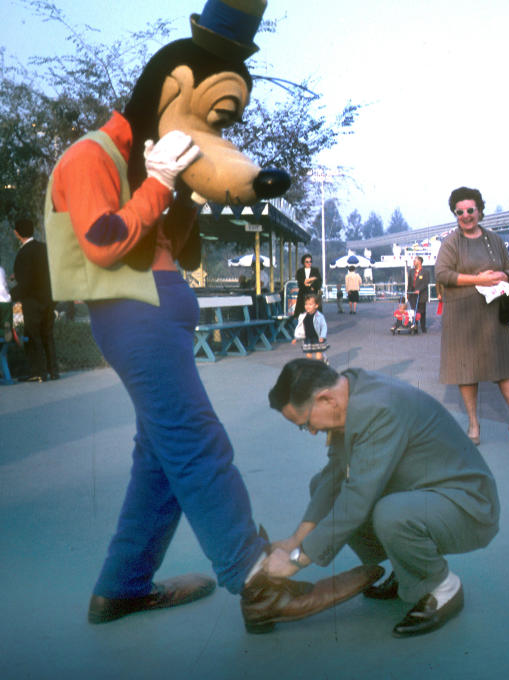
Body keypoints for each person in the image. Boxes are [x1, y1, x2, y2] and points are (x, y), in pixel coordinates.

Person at [42, 4, 376, 631]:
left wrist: (180, 191)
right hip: (132, 315)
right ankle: (256, 582)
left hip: (157, 315)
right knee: (197, 443)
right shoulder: (87, 159)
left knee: (160, 460)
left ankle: (122, 586)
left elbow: (182, 249)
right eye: (215, 116)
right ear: (173, 90)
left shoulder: (147, 166)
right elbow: (105, 240)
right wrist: (159, 181)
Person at [266, 359, 500, 638]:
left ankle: (444, 588)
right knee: (322, 485)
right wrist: (296, 540)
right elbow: (333, 477)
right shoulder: (349, 392)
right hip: (428, 491)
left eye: (305, 424)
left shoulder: (378, 409)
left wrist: (296, 560)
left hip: (469, 505)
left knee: (389, 513)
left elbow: (356, 500)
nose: (312, 432)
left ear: (325, 398)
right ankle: (408, 572)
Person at [434, 186, 509, 445]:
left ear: (480, 211)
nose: (465, 215)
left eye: (470, 210)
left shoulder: (494, 239)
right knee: (466, 371)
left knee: (505, 368)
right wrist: (478, 280)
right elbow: (442, 274)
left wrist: (502, 276)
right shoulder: (451, 243)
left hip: (494, 314)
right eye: (459, 212)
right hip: (462, 317)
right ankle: (474, 425)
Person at [11, 219, 58, 382]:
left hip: (32, 301)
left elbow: (26, 282)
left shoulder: (23, 254)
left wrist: (12, 294)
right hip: (47, 298)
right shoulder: (43, 249)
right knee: (48, 335)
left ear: (17, 233)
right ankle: (54, 371)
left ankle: (38, 372)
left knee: (33, 336)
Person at [292, 293, 328, 361]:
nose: (307, 306)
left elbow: (324, 326)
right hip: (307, 338)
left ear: (316, 305)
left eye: (310, 304)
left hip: (317, 338)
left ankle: (321, 363)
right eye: (306, 304)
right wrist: (297, 338)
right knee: (308, 356)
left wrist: (322, 336)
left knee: (318, 356)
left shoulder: (319, 316)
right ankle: (311, 366)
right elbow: (300, 328)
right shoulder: (303, 316)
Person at [407, 255, 429, 333]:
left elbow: (426, 283)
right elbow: (409, 283)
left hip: (422, 295)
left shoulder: (425, 272)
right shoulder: (411, 271)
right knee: (414, 311)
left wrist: (419, 290)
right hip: (412, 294)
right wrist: (408, 293)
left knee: (422, 312)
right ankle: (415, 326)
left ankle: (423, 327)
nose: (413, 262)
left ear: (419, 262)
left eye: (415, 261)